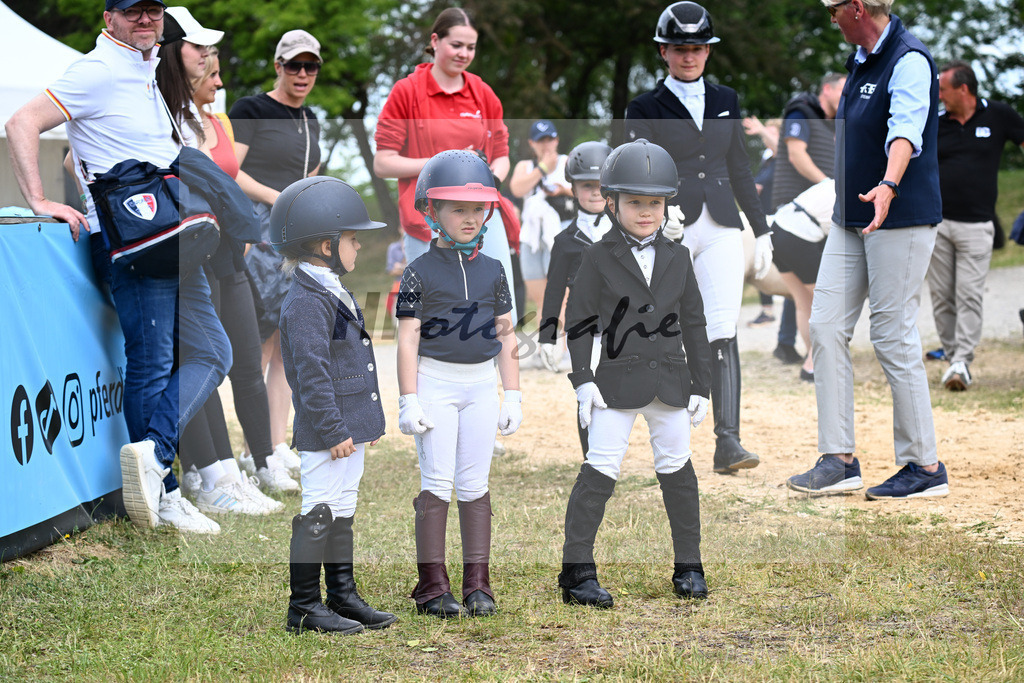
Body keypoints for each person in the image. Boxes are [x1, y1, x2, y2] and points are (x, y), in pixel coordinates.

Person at [5, 0, 231, 533]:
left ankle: (154, 457)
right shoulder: (97, 69)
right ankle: (166, 495)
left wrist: (90, 170)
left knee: (213, 351)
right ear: (109, 18)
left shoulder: (150, 68)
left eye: (153, 10)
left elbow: (74, 154)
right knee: (152, 364)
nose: (146, 20)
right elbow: (21, 121)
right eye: (133, 12)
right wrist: (40, 201)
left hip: (171, 232)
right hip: (130, 241)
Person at [787, 0, 949, 501]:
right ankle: (839, 460)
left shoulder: (909, 59)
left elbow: (906, 128)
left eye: (833, 9)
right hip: (849, 218)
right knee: (825, 324)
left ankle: (924, 466)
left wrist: (887, 183)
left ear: (857, 8)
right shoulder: (861, 57)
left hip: (898, 215)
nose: (829, 18)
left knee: (891, 333)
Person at [558, 139, 712, 608]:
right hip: (615, 384)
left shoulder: (679, 256)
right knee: (599, 472)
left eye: (655, 203)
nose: (646, 212)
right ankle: (577, 573)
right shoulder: (597, 256)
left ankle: (689, 564)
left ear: (666, 205)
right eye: (635, 203)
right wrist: (582, 378)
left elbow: (695, 322)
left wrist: (702, 385)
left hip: (670, 382)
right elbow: (581, 321)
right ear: (611, 202)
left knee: (679, 474)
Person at [625, 1, 773, 474]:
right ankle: (663, 434)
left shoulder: (726, 97)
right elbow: (638, 168)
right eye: (679, 48)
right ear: (663, 52)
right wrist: (656, 214)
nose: (689, 56)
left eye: (697, 48)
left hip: (722, 224)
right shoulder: (644, 107)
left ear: (707, 52)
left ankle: (727, 440)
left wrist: (762, 226)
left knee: (722, 327)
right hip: (668, 227)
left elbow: (740, 165)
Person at [395, 150, 522, 618]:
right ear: (431, 210)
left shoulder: (494, 270)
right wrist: (409, 399)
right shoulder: (417, 272)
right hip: (435, 384)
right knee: (438, 481)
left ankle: (478, 584)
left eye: (477, 209)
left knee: (475, 483)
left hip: (480, 387)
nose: (470, 219)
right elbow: (407, 340)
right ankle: (432, 586)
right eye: (458, 209)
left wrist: (513, 392)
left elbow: (506, 333)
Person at [271, 176, 397, 635]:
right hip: (329, 431)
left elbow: (352, 362)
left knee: (344, 505)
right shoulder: (306, 302)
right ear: (326, 245)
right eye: (353, 239)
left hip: (350, 426)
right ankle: (304, 605)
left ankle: (342, 594)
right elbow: (311, 375)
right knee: (319, 507)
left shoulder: (328, 288)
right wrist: (334, 430)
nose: (359, 247)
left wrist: (365, 422)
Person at [185, 44, 300, 496]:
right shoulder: (170, 124)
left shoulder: (218, 121)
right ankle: (204, 468)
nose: (219, 83)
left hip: (232, 253)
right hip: (193, 257)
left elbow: (228, 182)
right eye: (210, 75)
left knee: (247, 363)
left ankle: (265, 459)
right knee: (208, 361)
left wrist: (247, 227)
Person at [373, 7, 517, 325]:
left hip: (482, 218)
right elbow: (383, 162)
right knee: (429, 317)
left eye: (471, 47)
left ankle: (500, 374)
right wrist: (447, 164)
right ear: (435, 41)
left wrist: (489, 178)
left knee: (499, 313)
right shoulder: (406, 92)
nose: (464, 54)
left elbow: (502, 155)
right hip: (426, 220)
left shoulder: (483, 93)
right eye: (456, 45)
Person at [229, 29, 325, 481]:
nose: (302, 74)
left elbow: (312, 176)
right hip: (256, 231)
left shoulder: (312, 119)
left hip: (294, 235)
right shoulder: (251, 109)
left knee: (288, 341)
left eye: (311, 66)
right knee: (261, 340)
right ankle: (253, 450)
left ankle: (275, 442)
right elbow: (229, 170)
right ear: (278, 66)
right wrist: (278, 197)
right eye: (294, 65)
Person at [925, 60, 1024, 391]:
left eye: (943, 89)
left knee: (968, 294)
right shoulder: (935, 122)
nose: (937, 95)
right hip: (936, 224)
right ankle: (954, 359)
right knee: (941, 296)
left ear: (963, 89)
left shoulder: (999, 115)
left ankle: (962, 360)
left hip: (978, 225)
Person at [536, 140, 614, 457]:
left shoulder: (627, 232)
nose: (595, 193)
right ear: (573, 188)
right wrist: (546, 336)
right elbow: (554, 289)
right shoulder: (565, 241)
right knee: (588, 393)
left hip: (626, 329)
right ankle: (591, 458)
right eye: (586, 186)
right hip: (584, 332)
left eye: (601, 186)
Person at [770, 71, 847, 381]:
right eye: (844, 91)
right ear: (826, 89)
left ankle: (810, 363)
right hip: (802, 212)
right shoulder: (801, 111)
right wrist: (831, 186)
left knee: (804, 301)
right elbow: (795, 153)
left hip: (794, 225)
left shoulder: (831, 124)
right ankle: (817, 363)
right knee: (827, 300)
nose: (847, 98)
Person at [509, 119, 573, 326]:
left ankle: (560, 350)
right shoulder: (525, 166)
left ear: (557, 140)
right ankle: (544, 345)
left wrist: (562, 191)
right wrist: (543, 168)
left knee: (561, 296)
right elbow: (517, 189)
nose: (546, 144)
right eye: (541, 140)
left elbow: (588, 191)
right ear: (532, 143)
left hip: (560, 231)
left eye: (550, 139)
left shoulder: (567, 161)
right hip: (531, 235)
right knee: (539, 297)